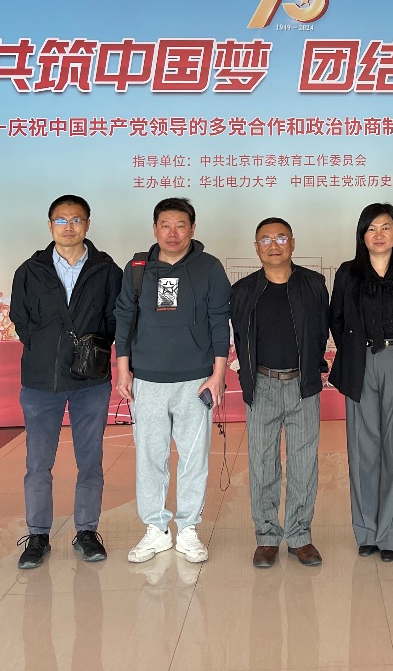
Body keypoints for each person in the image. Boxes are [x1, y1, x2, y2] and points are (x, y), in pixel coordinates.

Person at [9, 194, 123, 569]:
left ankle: (86, 531)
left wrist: (91, 351)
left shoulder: (107, 270)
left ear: (87, 224)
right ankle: (38, 535)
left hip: (91, 381)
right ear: (50, 225)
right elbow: (21, 319)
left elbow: (114, 319)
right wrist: (46, 350)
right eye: (61, 220)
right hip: (41, 382)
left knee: (90, 461)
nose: (68, 227)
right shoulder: (30, 270)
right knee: (38, 464)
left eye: (76, 220)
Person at [115, 197, 230, 565]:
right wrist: (122, 369)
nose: (173, 233)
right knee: (150, 458)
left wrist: (218, 375)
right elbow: (124, 318)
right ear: (155, 229)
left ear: (193, 229)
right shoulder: (137, 268)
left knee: (194, 458)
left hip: (196, 380)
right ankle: (156, 529)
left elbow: (219, 321)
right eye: (165, 225)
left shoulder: (210, 268)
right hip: (147, 380)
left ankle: (189, 528)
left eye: (181, 225)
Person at [329, 202, 393, 562]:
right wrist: (354, 353)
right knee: (363, 449)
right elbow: (337, 320)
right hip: (361, 362)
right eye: (371, 228)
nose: (378, 234)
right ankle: (367, 532)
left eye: (385, 227)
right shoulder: (348, 273)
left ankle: (392, 535)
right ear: (362, 234)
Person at [231, 217, 331, 568]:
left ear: (293, 243)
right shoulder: (243, 290)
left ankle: (300, 536)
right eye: (265, 239)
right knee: (262, 464)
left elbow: (321, 331)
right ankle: (267, 536)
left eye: (281, 238)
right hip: (262, 386)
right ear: (256, 247)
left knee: (304, 464)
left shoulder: (314, 284)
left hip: (303, 386)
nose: (273, 245)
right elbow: (240, 337)